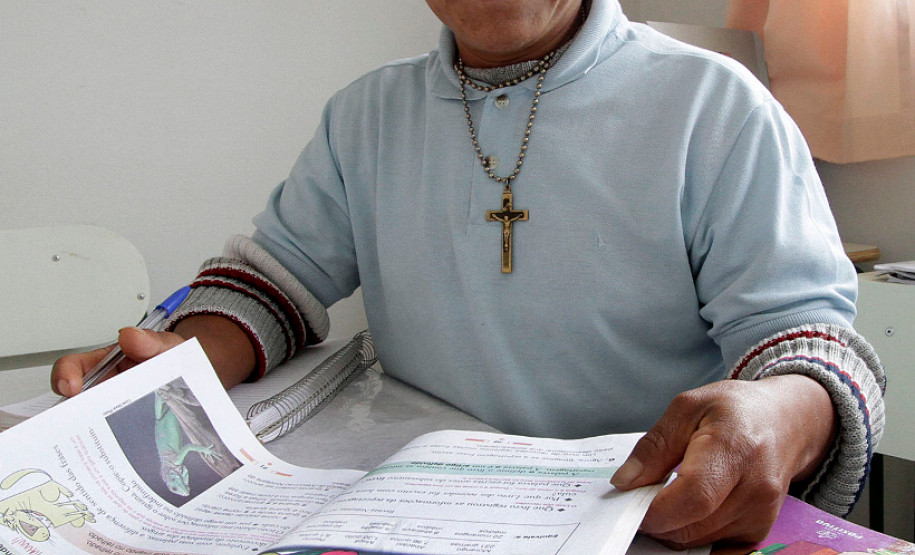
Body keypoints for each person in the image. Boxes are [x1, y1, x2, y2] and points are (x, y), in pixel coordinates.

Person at [52, 0, 885, 549]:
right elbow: (274, 280)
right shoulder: (366, 115)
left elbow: (805, 345)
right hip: (410, 510)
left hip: (636, 510)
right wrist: (183, 359)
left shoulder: (715, 107)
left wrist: (782, 412)